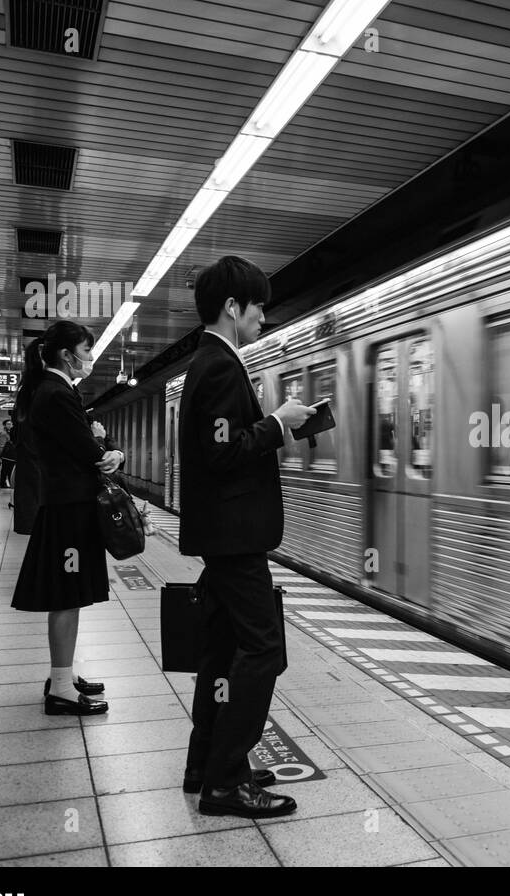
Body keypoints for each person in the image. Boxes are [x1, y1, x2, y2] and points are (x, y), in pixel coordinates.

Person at [178, 255, 311, 819]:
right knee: (263, 650)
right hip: (234, 539)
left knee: (222, 652)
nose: (264, 317)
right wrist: (279, 423)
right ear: (232, 308)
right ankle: (227, 782)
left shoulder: (209, 363)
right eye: (259, 307)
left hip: (225, 537)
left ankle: (204, 765)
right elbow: (223, 451)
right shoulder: (218, 366)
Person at [10, 320, 124, 716]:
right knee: (67, 596)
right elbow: (87, 451)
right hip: (69, 512)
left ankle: (63, 674)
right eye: (87, 352)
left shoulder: (51, 391)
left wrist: (97, 441)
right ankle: (60, 687)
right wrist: (108, 449)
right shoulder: (57, 394)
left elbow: (81, 443)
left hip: (65, 508)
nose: (89, 359)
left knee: (69, 595)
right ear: (66, 354)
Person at [0, 419, 15, 488]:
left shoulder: (9, 432)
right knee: (5, 471)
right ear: (4, 425)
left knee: (7, 470)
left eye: (11, 424)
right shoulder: (3, 433)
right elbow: (0, 445)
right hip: (5, 456)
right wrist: (1, 456)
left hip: (9, 455)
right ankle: (3, 484)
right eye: (8, 424)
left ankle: (5, 483)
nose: (10, 425)